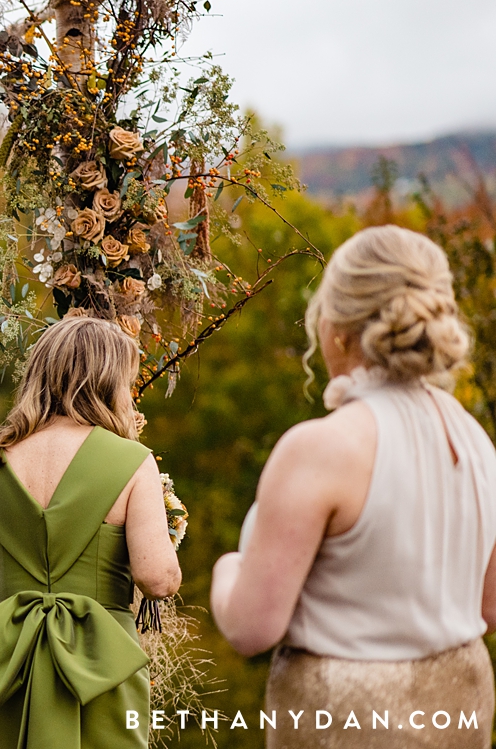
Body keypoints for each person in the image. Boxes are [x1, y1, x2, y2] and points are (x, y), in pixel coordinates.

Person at [210, 225, 496, 747]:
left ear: (336, 329)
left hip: (347, 725)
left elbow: (251, 628)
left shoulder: (321, 448)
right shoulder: (476, 440)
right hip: (462, 715)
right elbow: (490, 607)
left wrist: (227, 571)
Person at [0, 316, 180, 749]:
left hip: (3, 665)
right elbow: (157, 577)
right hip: (98, 663)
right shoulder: (131, 461)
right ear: (108, 382)